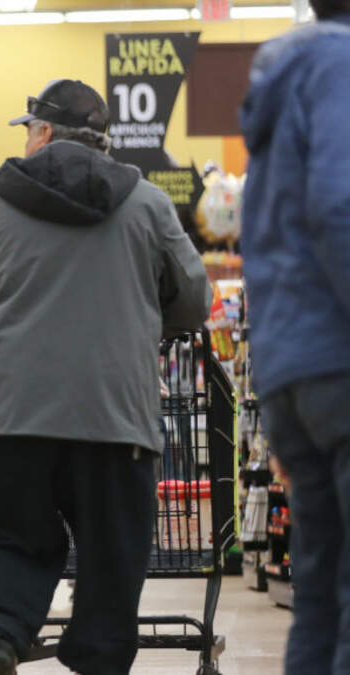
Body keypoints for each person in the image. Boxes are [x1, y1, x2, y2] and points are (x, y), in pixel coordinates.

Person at [0, 79, 209, 675]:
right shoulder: (148, 203)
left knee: (4, 531)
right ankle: (99, 658)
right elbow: (193, 299)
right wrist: (143, 324)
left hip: (8, 412)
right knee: (113, 549)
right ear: (104, 140)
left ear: (42, 133)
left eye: (28, 131)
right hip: (114, 415)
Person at [240, 2, 350, 672]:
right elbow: (339, 206)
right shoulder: (339, 67)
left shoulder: (281, 84)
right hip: (338, 357)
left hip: (288, 368)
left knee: (320, 593)